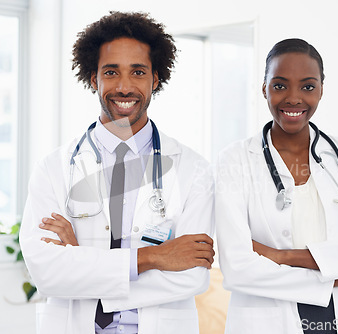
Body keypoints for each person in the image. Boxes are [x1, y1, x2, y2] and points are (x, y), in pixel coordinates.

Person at [19, 11, 214, 334]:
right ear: (94, 78)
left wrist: (82, 261)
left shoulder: (193, 170)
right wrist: (152, 257)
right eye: (111, 72)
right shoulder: (54, 168)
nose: (124, 87)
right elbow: (46, 272)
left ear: (155, 79)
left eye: (138, 72)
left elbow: (191, 275)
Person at [215, 38, 338, 334]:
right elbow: (237, 268)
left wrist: (282, 256)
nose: (293, 98)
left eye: (307, 86)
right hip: (268, 321)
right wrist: (337, 269)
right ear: (263, 88)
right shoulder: (235, 161)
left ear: (321, 90)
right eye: (279, 85)